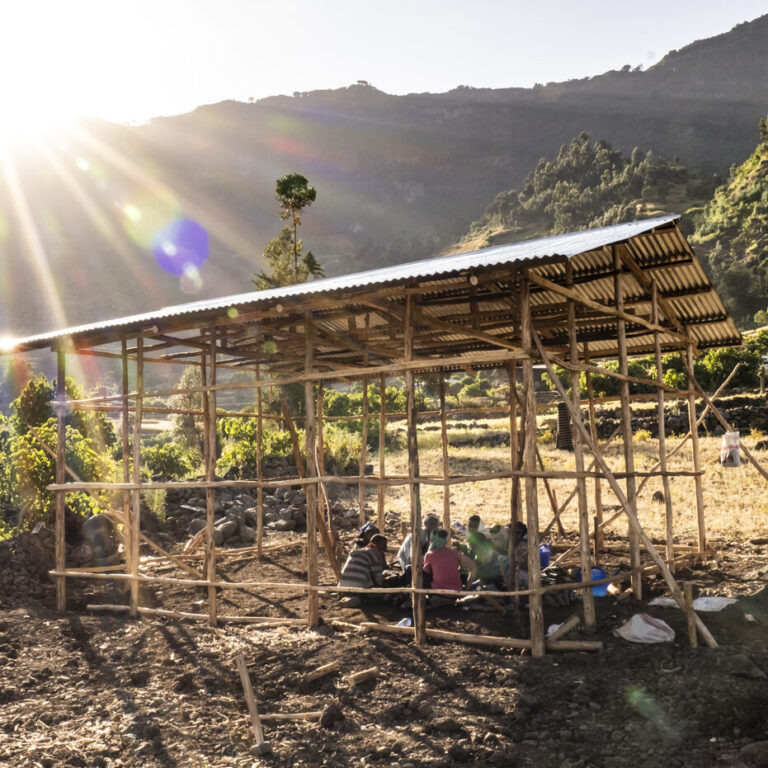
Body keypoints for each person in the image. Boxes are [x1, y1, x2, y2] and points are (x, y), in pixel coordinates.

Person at [423, 529, 477, 606]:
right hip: (457, 592)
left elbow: (427, 572)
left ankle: (430, 598)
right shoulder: (455, 553)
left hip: (439, 593)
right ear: (445, 541)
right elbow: (473, 567)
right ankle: (452, 600)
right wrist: (467, 586)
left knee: (423, 574)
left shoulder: (429, 555)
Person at [337, 534, 388, 607]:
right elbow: (379, 579)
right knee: (381, 594)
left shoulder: (362, 551)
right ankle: (359, 599)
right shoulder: (374, 553)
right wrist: (386, 577)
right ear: (379, 545)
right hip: (357, 588)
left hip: (342, 586)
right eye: (383, 546)